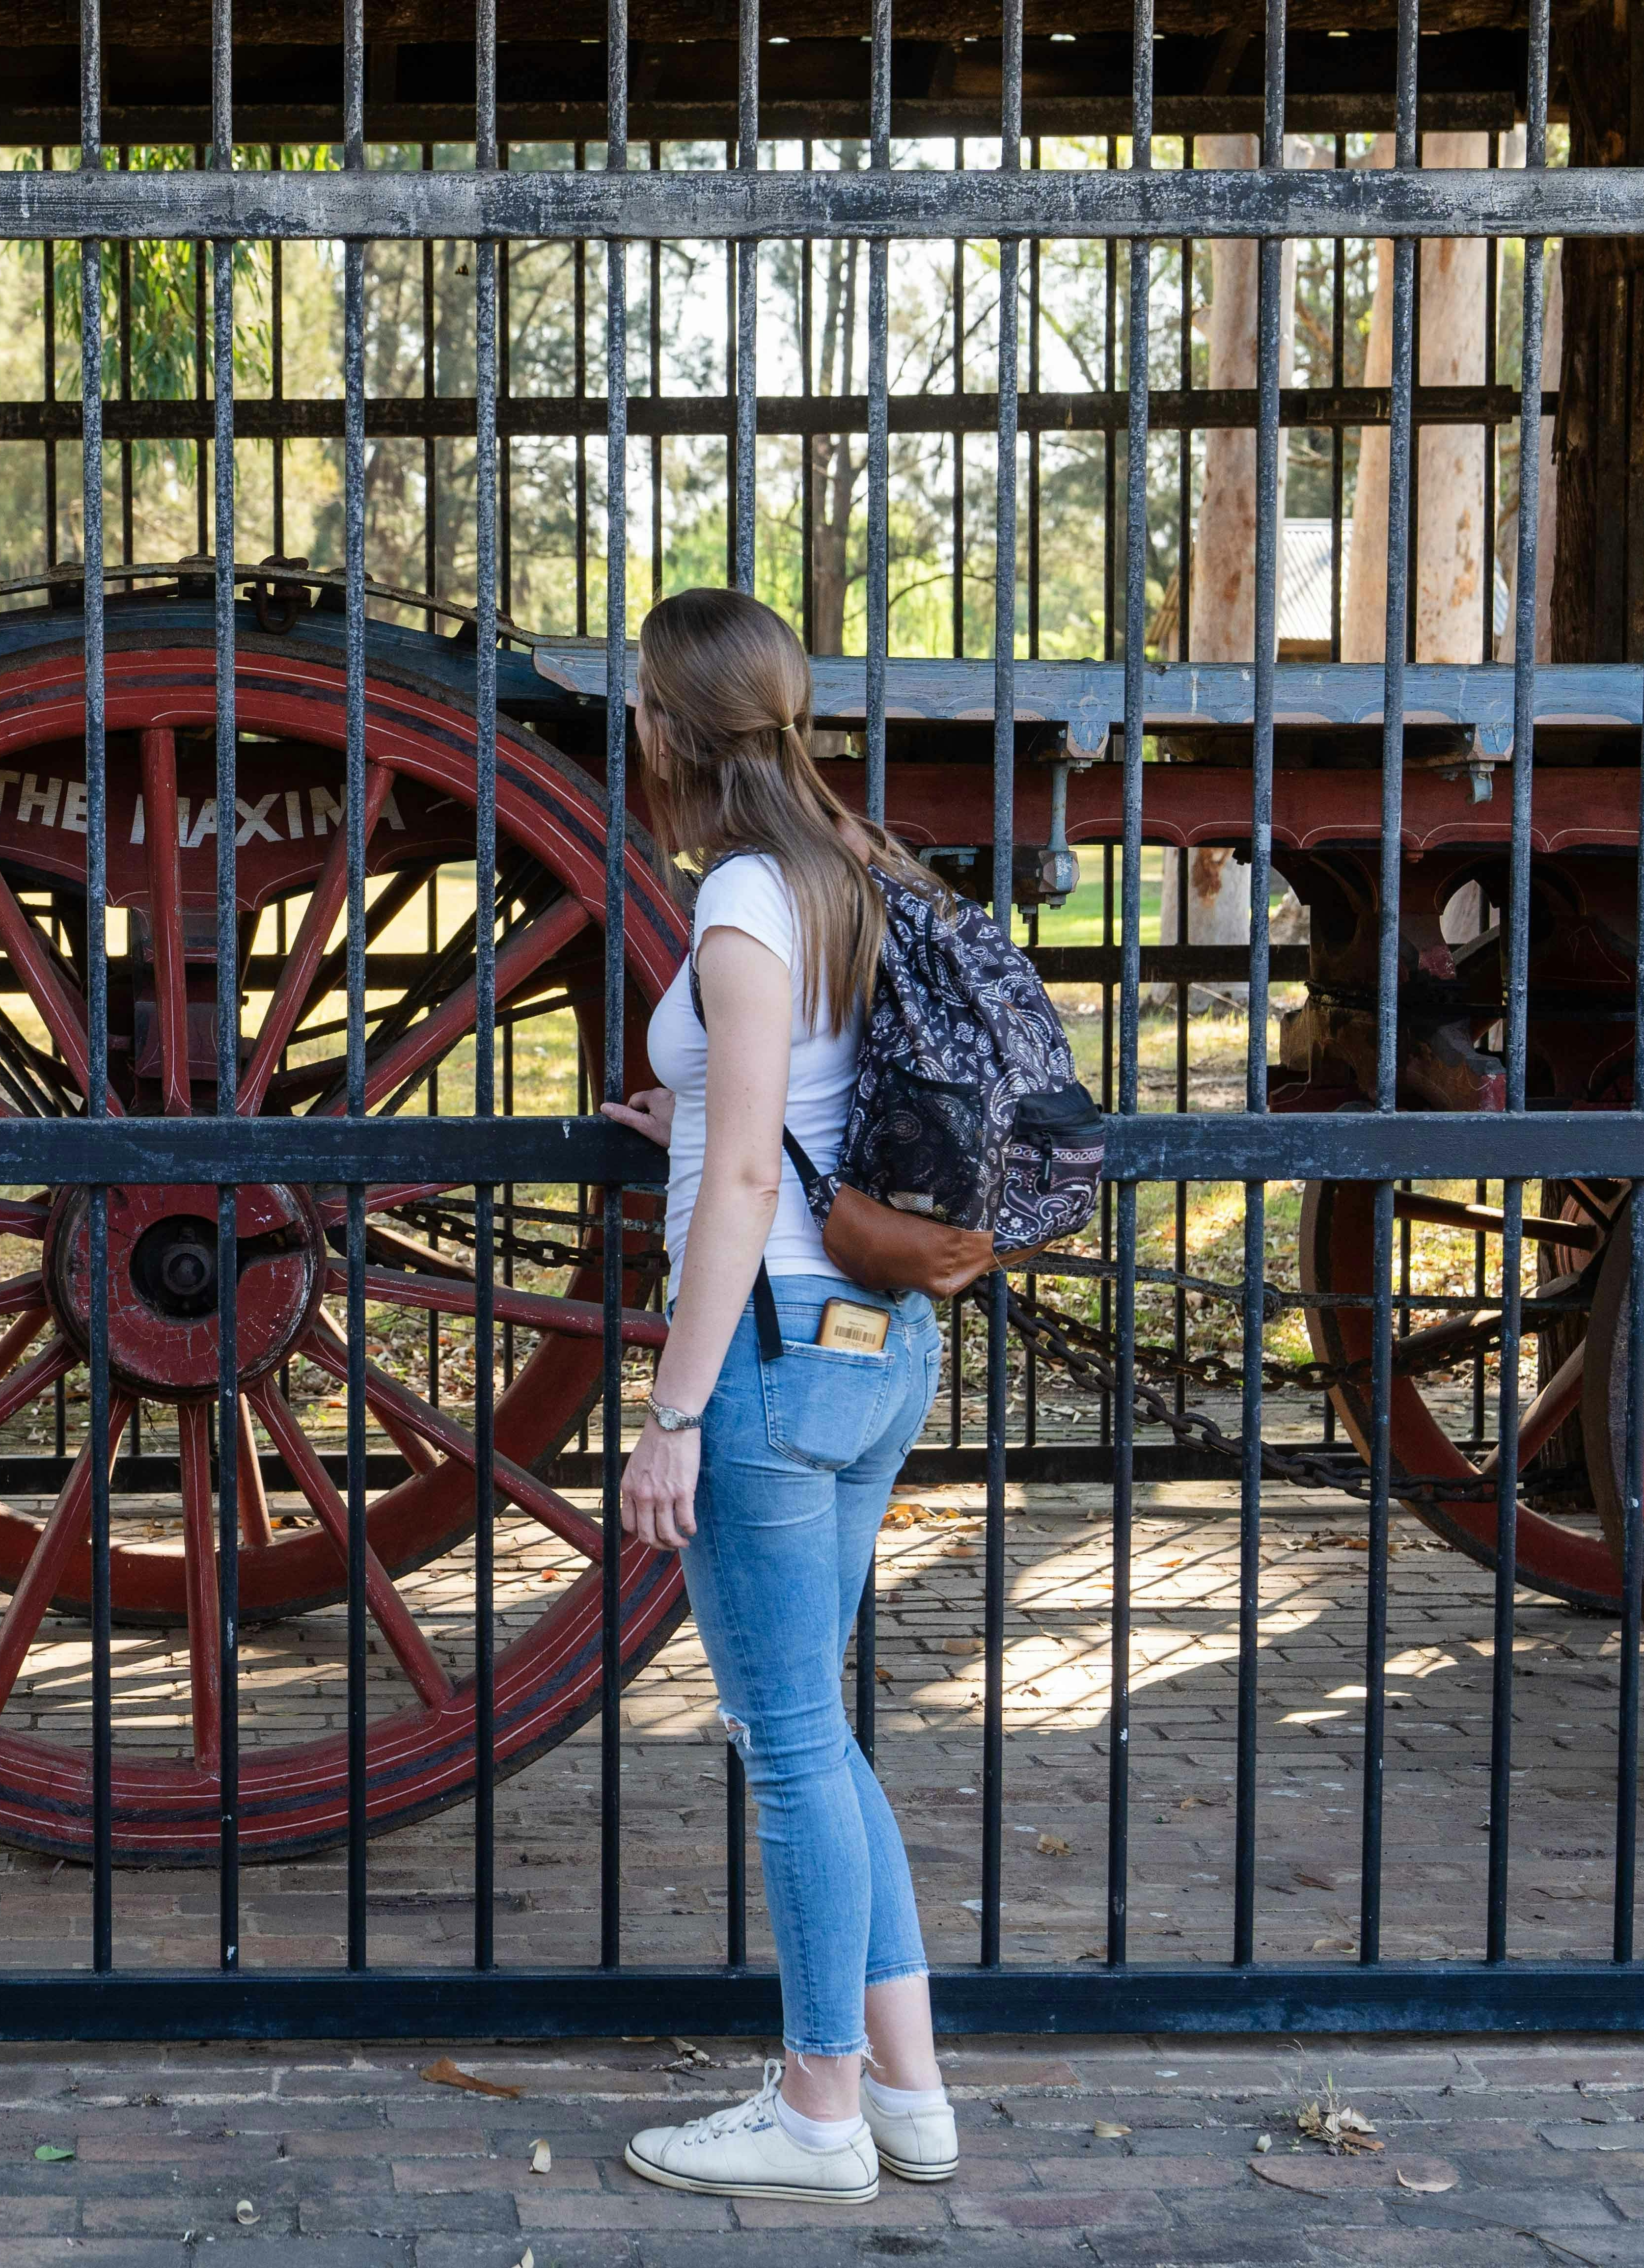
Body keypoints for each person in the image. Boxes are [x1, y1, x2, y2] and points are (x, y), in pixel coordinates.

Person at [595, 587, 960, 2207]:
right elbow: (771, 1101)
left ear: (669, 729)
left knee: (790, 1741)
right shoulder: (853, 868)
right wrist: (668, 1096)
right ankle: (911, 2090)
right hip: (878, 1348)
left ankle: (816, 2109)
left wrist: (670, 1412)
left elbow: (751, 1167)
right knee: (827, 1732)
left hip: (770, 1362)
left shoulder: (741, 895)